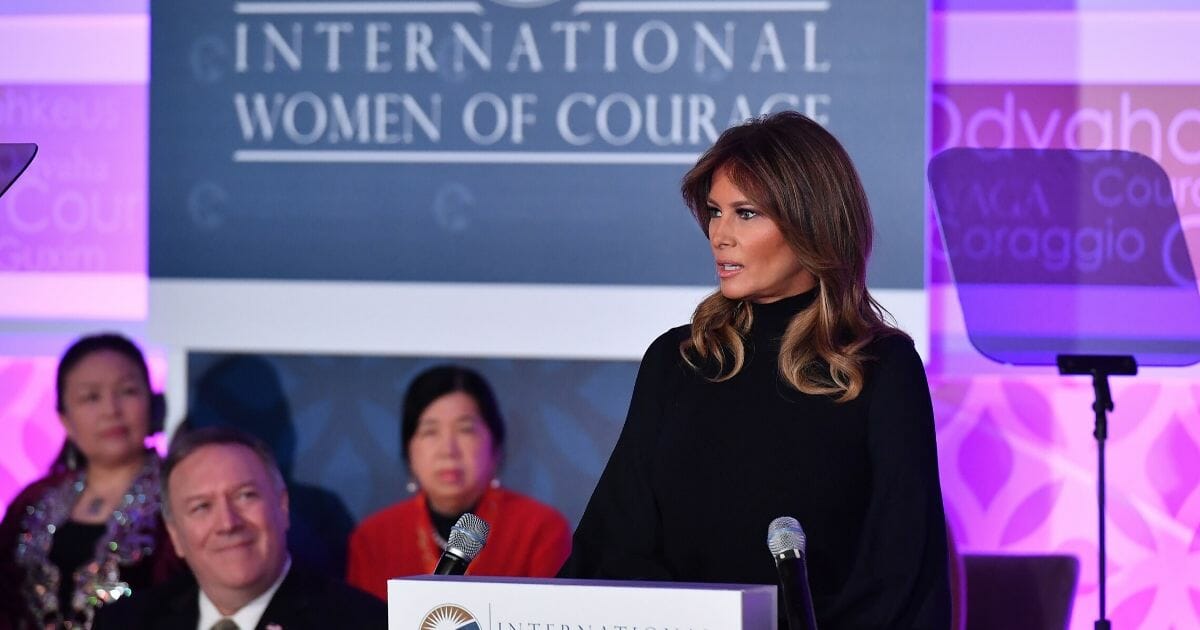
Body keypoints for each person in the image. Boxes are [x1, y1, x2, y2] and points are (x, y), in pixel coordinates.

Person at [558, 111, 951, 628]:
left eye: (745, 214)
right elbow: (615, 544)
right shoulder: (677, 361)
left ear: (811, 222)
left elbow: (900, 571)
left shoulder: (880, 368)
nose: (719, 234)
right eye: (714, 211)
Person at [93, 426, 386, 629]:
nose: (228, 524)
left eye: (245, 496)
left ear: (282, 507)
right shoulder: (125, 623)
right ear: (175, 535)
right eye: (201, 507)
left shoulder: (363, 623)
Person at [0, 333, 179, 629]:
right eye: (91, 397)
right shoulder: (33, 500)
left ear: (153, 402)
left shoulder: (181, 494)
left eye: (127, 391)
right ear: (65, 419)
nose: (111, 410)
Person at [347, 365, 571, 600]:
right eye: (430, 431)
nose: (448, 450)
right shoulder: (373, 538)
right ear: (409, 451)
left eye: (465, 430)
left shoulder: (541, 529)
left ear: (495, 447)